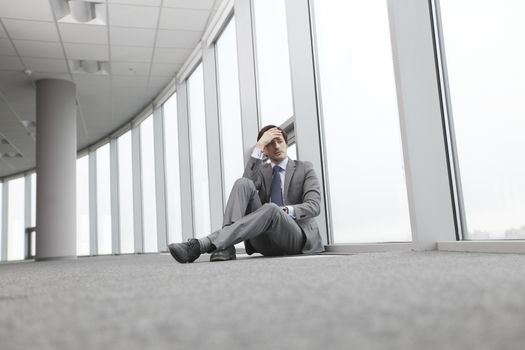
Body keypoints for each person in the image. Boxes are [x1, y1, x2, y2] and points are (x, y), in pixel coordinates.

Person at [168, 125, 324, 263]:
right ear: (265, 150)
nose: (276, 146)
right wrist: (258, 146)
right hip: (264, 240)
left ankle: (202, 244)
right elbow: (244, 187)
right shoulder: (262, 171)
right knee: (242, 183)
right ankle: (226, 246)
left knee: (271, 208)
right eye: (270, 143)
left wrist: (286, 210)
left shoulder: (304, 168)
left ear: (286, 143)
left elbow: (314, 206)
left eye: (279, 141)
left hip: (295, 237)